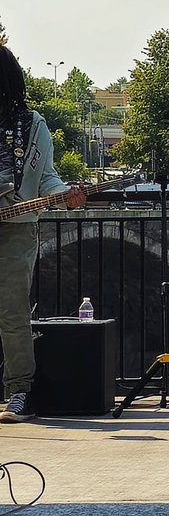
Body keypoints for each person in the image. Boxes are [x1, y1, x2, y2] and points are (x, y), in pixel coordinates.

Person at [0, 45, 86, 423]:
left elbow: (47, 176)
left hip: (16, 229)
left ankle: (19, 391)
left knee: (11, 313)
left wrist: (62, 195)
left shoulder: (31, 125)